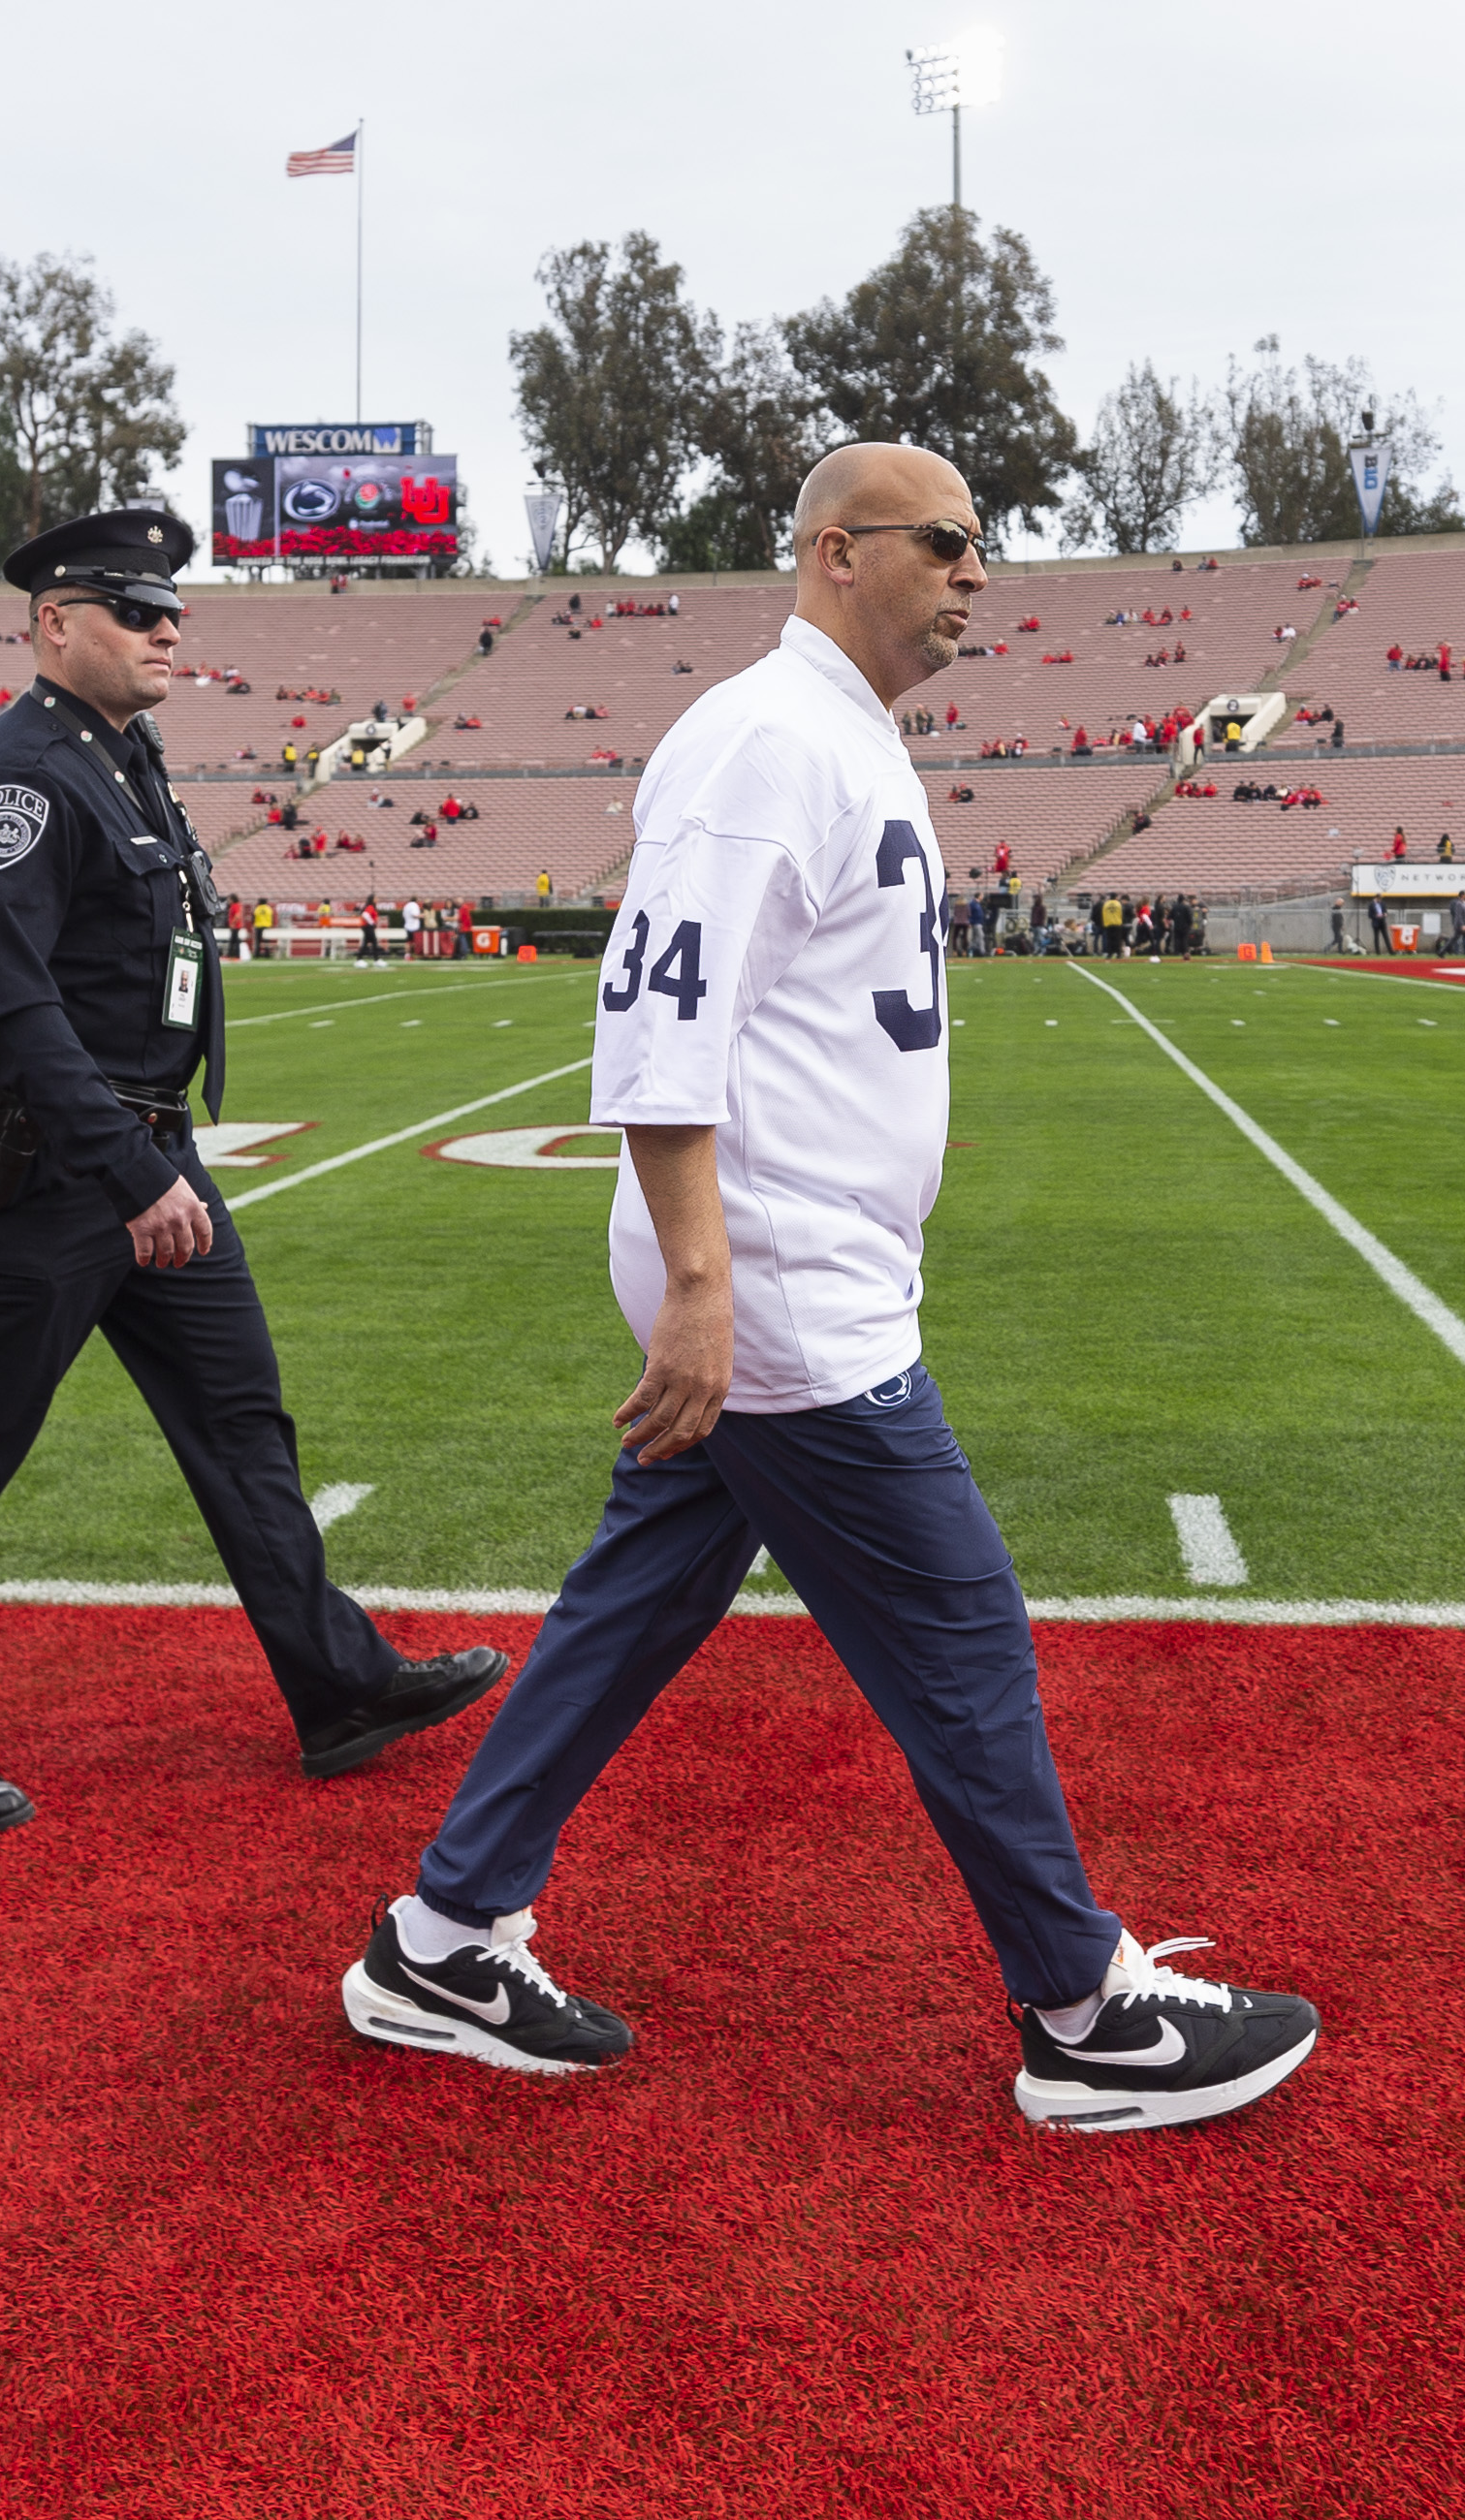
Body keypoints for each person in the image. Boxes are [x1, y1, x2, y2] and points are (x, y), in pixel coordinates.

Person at [331, 442, 1320, 2130]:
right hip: (782, 1276)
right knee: (960, 1627)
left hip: (793, 1260)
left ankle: (443, 1934)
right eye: (944, 543)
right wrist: (708, 1282)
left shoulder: (840, 737)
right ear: (835, 550)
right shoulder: (765, 740)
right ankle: (1084, 2013)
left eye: (981, 549)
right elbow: (654, 1031)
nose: (975, 576)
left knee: (643, 1594)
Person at [0, 510, 504, 1834]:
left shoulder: (123, 758)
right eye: (134, 609)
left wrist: (160, 1162)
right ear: (55, 624)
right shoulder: (16, 777)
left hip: (151, 1154)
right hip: (48, 1176)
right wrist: (132, 1176)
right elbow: (15, 1008)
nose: (165, 629)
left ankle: (340, 1687)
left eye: (170, 610)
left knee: (242, 1423)